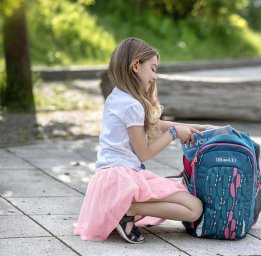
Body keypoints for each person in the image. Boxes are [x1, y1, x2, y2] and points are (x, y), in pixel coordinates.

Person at [74, 38, 215, 244]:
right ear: (136, 65)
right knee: (194, 208)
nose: (154, 77)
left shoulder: (117, 97)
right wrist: (174, 133)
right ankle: (127, 210)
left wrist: (199, 128)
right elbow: (144, 153)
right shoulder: (132, 105)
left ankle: (124, 209)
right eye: (153, 68)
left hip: (109, 178)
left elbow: (153, 125)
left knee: (187, 201)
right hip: (123, 178)